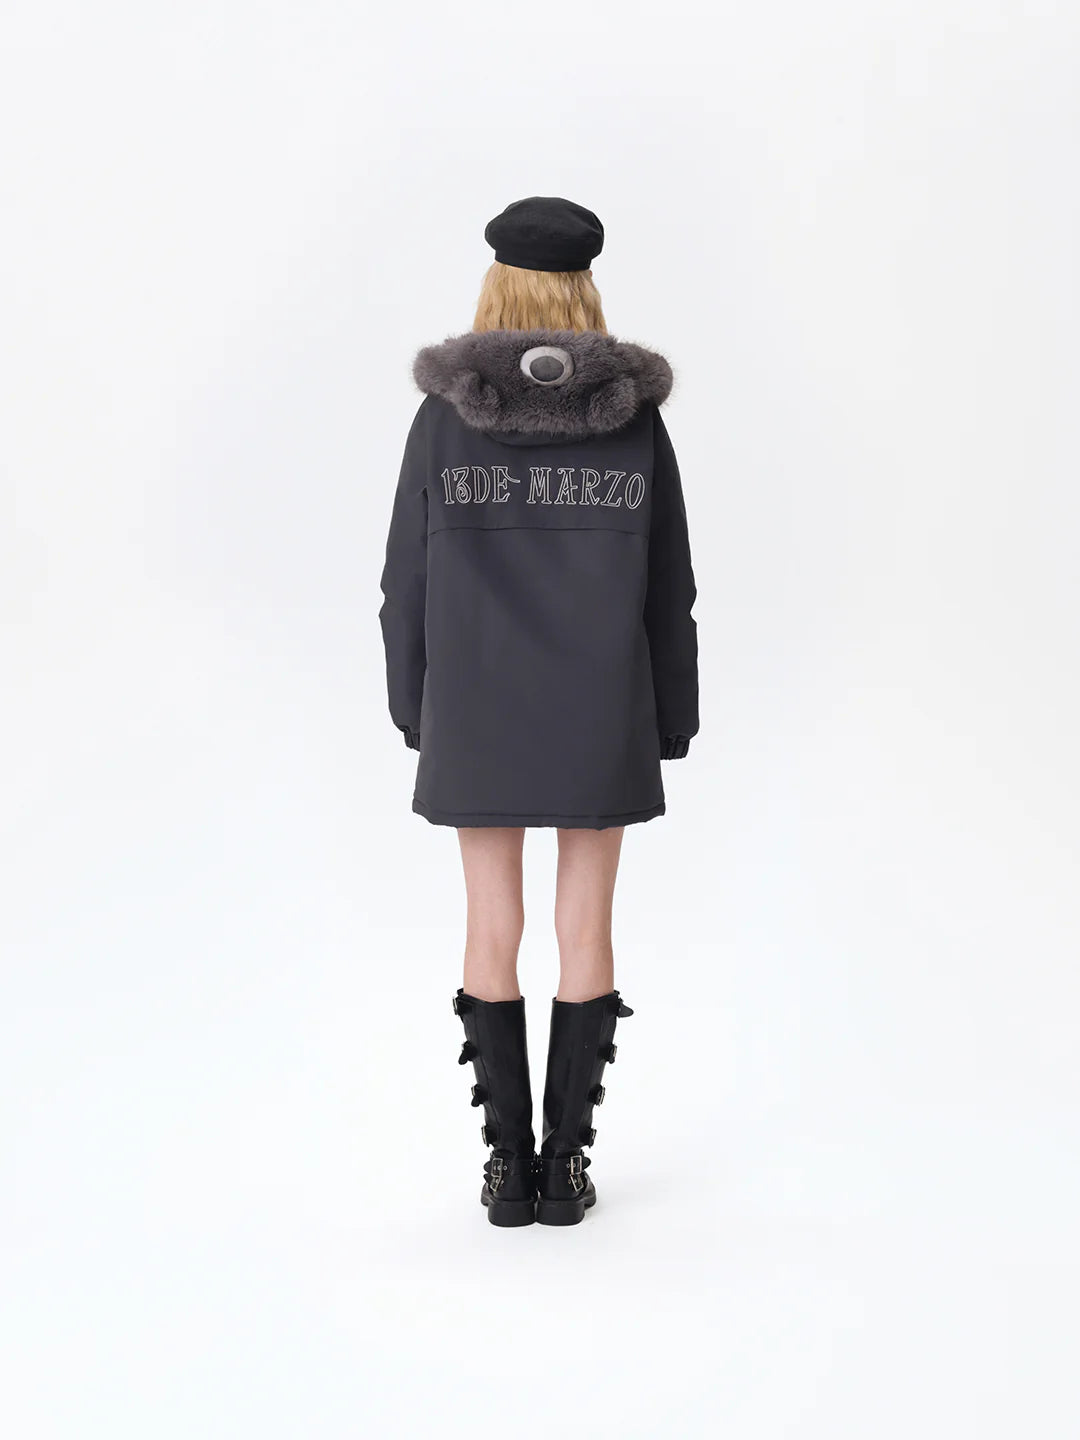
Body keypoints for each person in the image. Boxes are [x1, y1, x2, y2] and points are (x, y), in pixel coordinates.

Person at [379, 196, 699, 1226]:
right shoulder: (633, 420)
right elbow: (670, 588)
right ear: (584, 292)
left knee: (491, 923)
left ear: (497, 286)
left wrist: (415, 709)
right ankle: (566, 1168)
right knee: (586, 926)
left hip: (474, 707)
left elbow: (403, 583)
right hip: (602, 706)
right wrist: (672, 718)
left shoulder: (445, 420)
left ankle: (506, 1169)